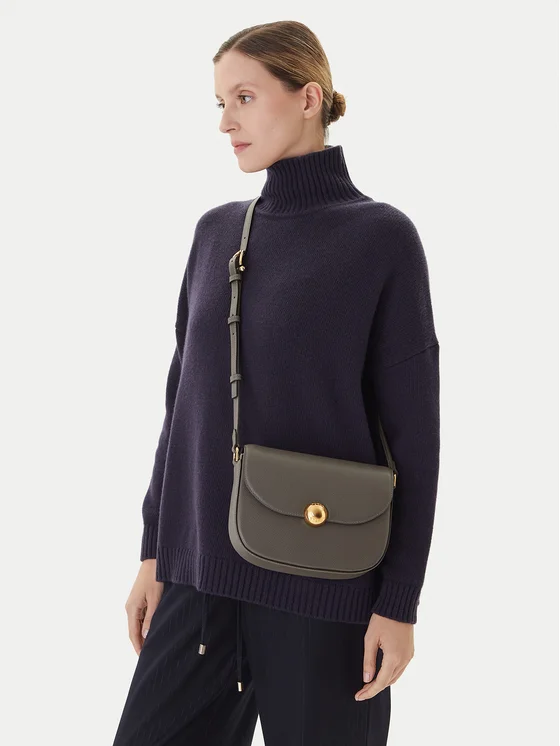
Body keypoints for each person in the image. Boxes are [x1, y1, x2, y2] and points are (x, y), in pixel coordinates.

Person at [112, 19, 440, 746]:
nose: (225, 122)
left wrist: (399, 602)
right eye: (219, 102)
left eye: (245, 97)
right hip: (199, 586)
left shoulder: (380, 238)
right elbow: (181, 407)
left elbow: (414, 439)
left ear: (308, 98)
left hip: (325, 592)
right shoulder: (215, 233)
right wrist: (154, 551)